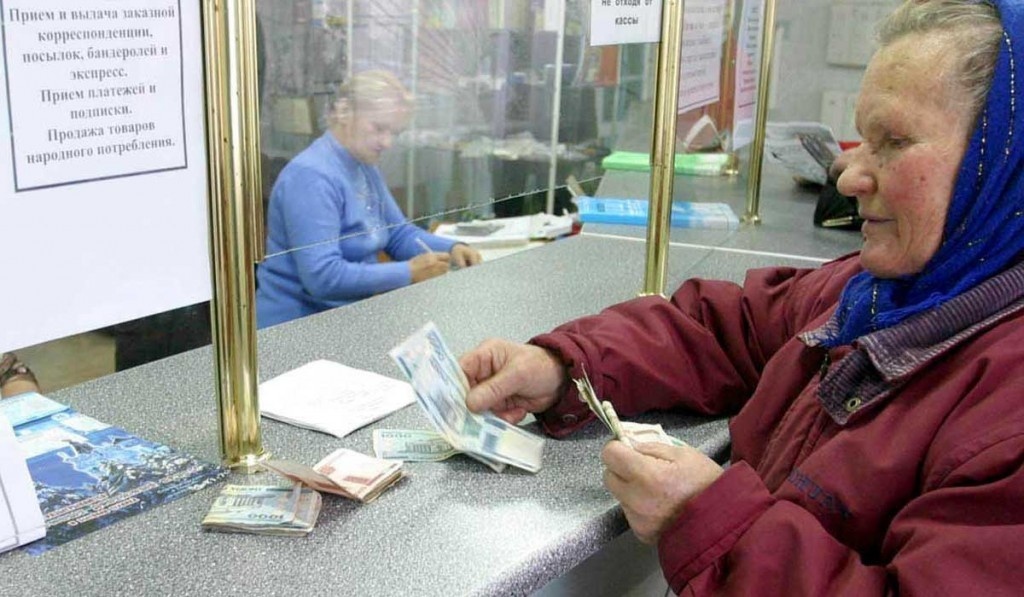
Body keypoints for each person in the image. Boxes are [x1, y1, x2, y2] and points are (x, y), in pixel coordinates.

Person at [459, 1, 1024, 593]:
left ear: (1005, 158)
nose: (849, 177)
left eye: (895, 142)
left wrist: (707, 520)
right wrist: (564, 367)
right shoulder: (886, 292)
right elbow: (727, 328)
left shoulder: (1006, 410)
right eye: (862, 139)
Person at [256, 70, 482, 327]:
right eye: (379, 128)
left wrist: (452, 249)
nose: (387, 142)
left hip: (343, 317)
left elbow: (397, 234)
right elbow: (322, 277)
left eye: (394, 132)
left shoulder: (361, 164)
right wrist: (408, 272)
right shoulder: (311, 177)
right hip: (296, 326)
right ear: (344, 112)